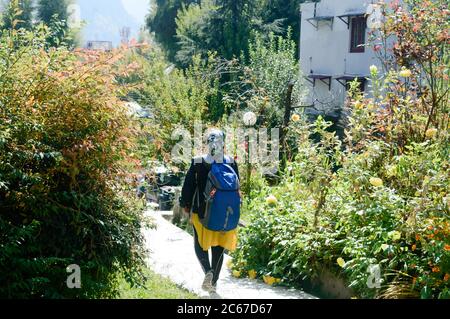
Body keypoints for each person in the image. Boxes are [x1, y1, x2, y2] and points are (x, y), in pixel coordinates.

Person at [179, 129, 240, 293]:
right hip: (225, 214)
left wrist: (185, 204)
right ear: (223, 143)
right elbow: (237, 187)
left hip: (202, 213)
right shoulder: (231, 162)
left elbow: (188, 187)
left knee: (199, 243)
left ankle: (208, 271)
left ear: (207, 143)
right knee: (219, 247)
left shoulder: (198, 162)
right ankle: (214, 283)